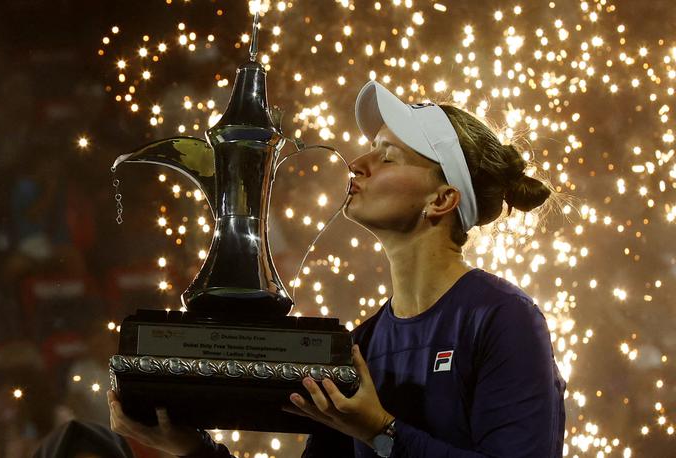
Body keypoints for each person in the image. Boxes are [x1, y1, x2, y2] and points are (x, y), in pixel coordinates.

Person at [107, 80, 566, 457]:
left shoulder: (503, 318)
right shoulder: (362, 343)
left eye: (387, 156)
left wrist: (381, 432)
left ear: (442, 200)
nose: (357, 164)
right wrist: (193, 451)